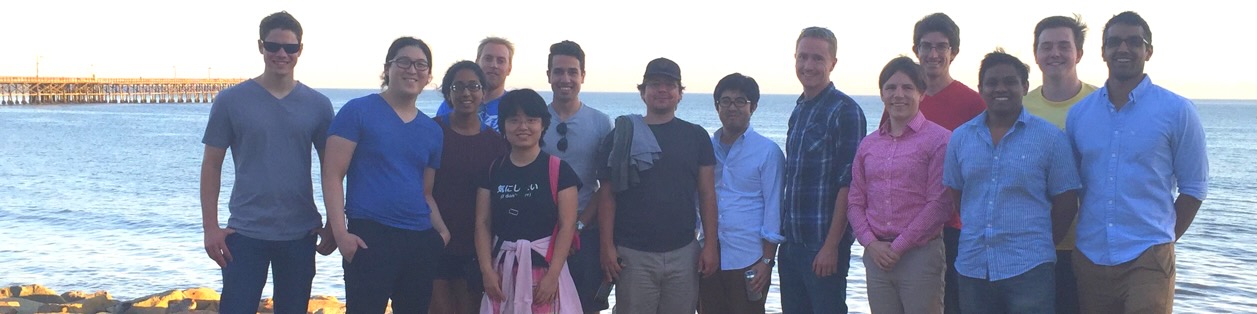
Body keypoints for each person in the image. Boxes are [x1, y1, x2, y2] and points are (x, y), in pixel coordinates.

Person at [1066, 11, 1208, 314]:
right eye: (1114, 42)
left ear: (1149, 51)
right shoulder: (1080, 115)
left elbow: (1194, 188)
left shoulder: (1177, 111)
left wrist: (1162, 240)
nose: (1123, 49)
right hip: (1091, 256)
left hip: (1148, 257)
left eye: (1134, 42)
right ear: (1103, 51)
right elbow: (1073, 185)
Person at [199, 11, 335, 314]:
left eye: (290, 47)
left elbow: (332, 171)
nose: (281, 54)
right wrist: (210, 228)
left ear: (301, 50)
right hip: (245, 233)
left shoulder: (319, 105)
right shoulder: (231, 101)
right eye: (273, 46)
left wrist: (334, 223)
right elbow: (211, 166)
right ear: (261, 47)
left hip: (300, 234)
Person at [944, 50, 1082, 314]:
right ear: (981, 89)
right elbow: (958, 194)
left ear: (1025, 87)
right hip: (973, 267)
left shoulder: (1050, 139)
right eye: (992, 83)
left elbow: (1066, 202)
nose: (1001, 88)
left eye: (1010, 82)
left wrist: (1038, 244)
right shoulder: (961, 138)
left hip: (1029, 270)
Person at [322, 36, 451, 313]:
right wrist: (341, 233)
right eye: (403, 62)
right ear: (387, 68)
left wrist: (441, 232)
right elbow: (332, 175)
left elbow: (425, 191)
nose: (412, 70)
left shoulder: (432, 131)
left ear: (429, 76)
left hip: (420, 239)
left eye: (420, 65)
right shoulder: (357, 111)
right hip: (370, 236)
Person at [595, 57, 720, 314]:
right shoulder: (620, 135)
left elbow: (707, 194)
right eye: (654, 84)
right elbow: (607, 196)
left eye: (670, 85)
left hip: (684, 252)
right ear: (643, 92)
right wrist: (606, 247)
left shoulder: (696, 136)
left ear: (679, 94)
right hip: (633, 255)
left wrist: (709, 245)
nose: (662, 90)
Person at [847, 56, 951, 314]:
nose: (898, 94)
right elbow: (855, 202)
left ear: (921, 93)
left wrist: (899, 246)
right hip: (876, 257)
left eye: (907, 88)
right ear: (882, 94)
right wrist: (870, 243)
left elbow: (939, 204)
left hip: (919, 254)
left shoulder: (940, 140)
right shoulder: (868, 145)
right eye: (891, 88)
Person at [780, 26, 867, 314]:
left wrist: (831, 246)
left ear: (832, 63)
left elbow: (849, 183)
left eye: (817, 58)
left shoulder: (846, 110)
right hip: (791, 243)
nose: (808, 65)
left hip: (822, 246)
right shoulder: (799, 109)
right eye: (802, 57)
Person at [476, 89, 583, 313]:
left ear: (543, 125)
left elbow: (567, 225)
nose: (522, 127)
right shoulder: (493, 170)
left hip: (546, 271)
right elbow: (482, 222)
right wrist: (487, 270)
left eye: (531, 120)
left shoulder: (559, 170)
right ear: (503, 126)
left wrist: (553, 275)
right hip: (502, 272)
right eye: (513, 120)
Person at [911, 13, 986, 313]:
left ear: (953, 52)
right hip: (909, 227)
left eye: (941, 46)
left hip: (955, 227)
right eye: (926, 46)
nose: (933, 54)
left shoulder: (973, 103)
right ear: (915, 50)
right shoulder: (904, 98)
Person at [1023, 15, 1096, 314]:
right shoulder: (1020, 108)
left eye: (1063, 46)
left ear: (1078, 53)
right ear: (1036, 54)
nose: (1055, 53)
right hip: (1033, 247)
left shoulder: (1100, 102)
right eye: (1047, 46)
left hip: (1089, 246)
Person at [698, 73, 785, 314]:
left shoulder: (767, 151)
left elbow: (774, 208)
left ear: (753, 106)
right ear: (717, 107)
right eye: (725, 101)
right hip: (708, 255)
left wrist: (767, 261)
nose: (732, 107)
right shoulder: (705, 147)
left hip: (749, 259)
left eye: (740, 101)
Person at [539, 40, 614, 314]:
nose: (565, 79)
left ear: (583, 75)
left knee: (584, 307)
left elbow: (605, 185)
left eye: (572, 71)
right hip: (540, 233)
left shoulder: (601, 123)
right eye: (558, 71)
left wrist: (577, 228)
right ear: (548, 75)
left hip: (586, 234)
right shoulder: (534, 120)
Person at [431, 61, 509, 314]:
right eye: (458, 87)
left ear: (483, 93)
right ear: (448, 93)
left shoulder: (496, 143)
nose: (466, 93)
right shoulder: (432, 131)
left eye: (473, 86)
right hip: (435, 240)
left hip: (476, 247)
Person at [435, 37, 516, 130]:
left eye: (500, 61)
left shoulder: (514, 106)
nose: (494, 65)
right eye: (488, 59)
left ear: (509, 68)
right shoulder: (451, 104)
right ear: (477, 62)